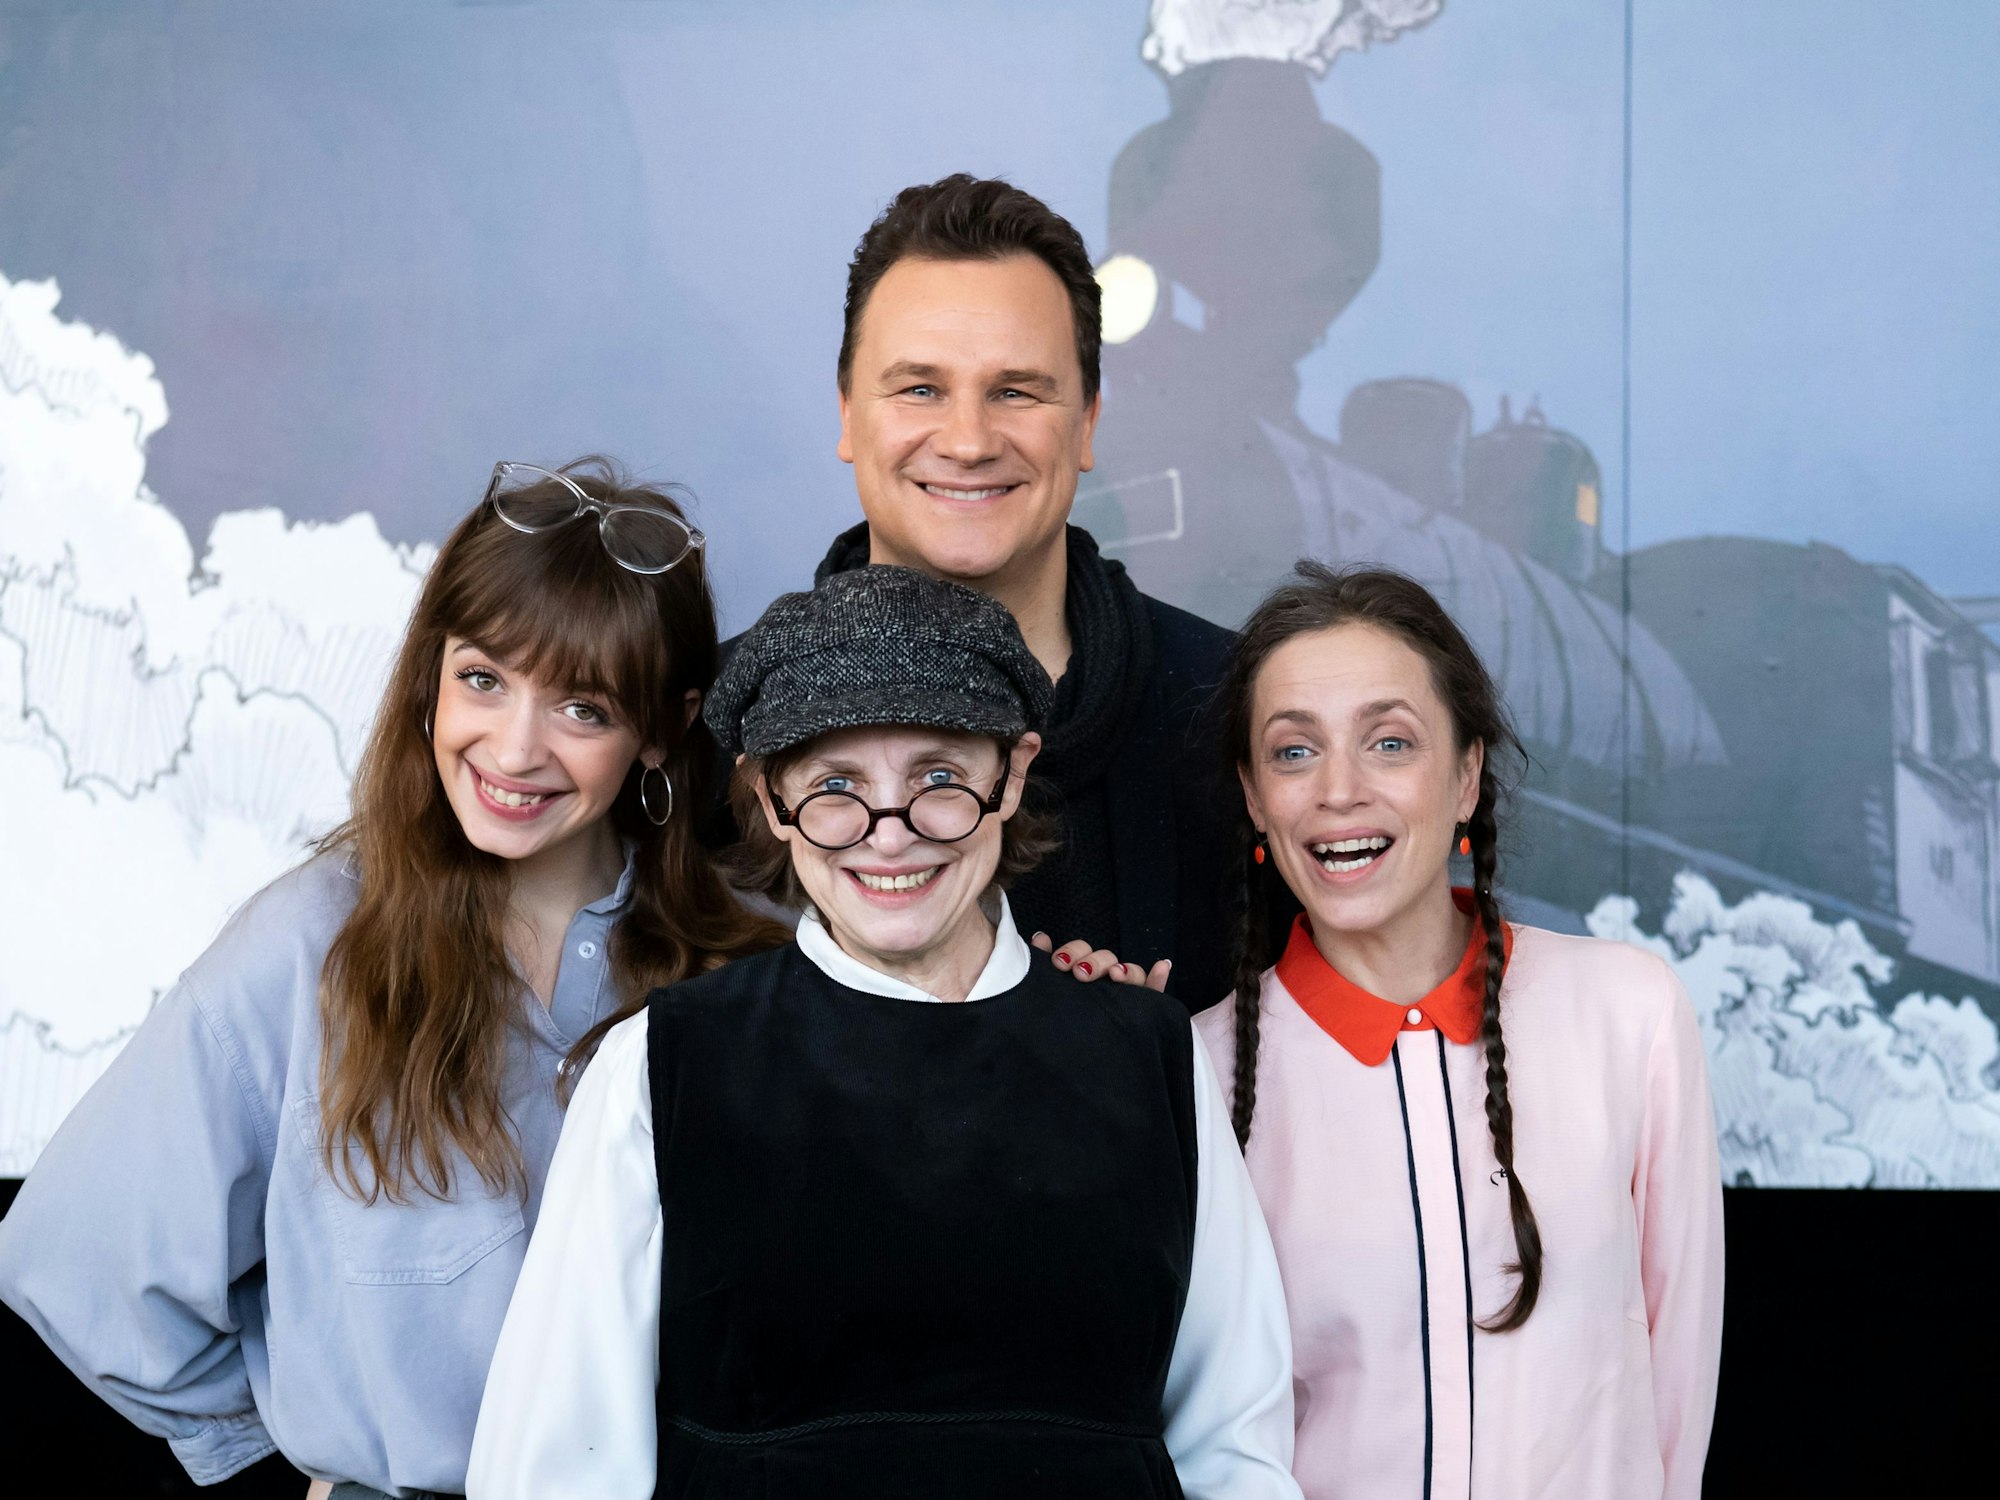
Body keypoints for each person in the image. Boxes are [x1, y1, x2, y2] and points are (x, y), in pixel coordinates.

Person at [0, 460, 783, 1497]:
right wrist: (281, 1467)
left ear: (663, 727)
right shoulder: (307, 945)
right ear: (429, 677)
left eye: (583, 709)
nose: (513, 747)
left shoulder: (748, 972)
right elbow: (78, 1262)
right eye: (482, 679)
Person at [468, 565, 1302, 1500]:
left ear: (1016, 771)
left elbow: (1234, 1450)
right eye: (835, 785)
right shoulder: (663, 1067)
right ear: (769, 797)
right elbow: (555, 1469)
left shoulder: (1149, 1055)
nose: (891, 834)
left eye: (940, 777)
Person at [1195, 563, 1724, 1500]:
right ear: (1252, 797)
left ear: (1468, 775)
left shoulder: (1629, 1014)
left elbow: (1677, 1385)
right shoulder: (1196, 1069)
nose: (1339, 791)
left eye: (1391, 743)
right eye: (1292, 752)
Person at [729, 172, 1238, 1002]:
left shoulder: (1234, 714)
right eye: (920, 388)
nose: (967, 442)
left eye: (1015, 391)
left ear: (1088, 424)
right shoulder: (721, 726)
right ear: (849, 415)